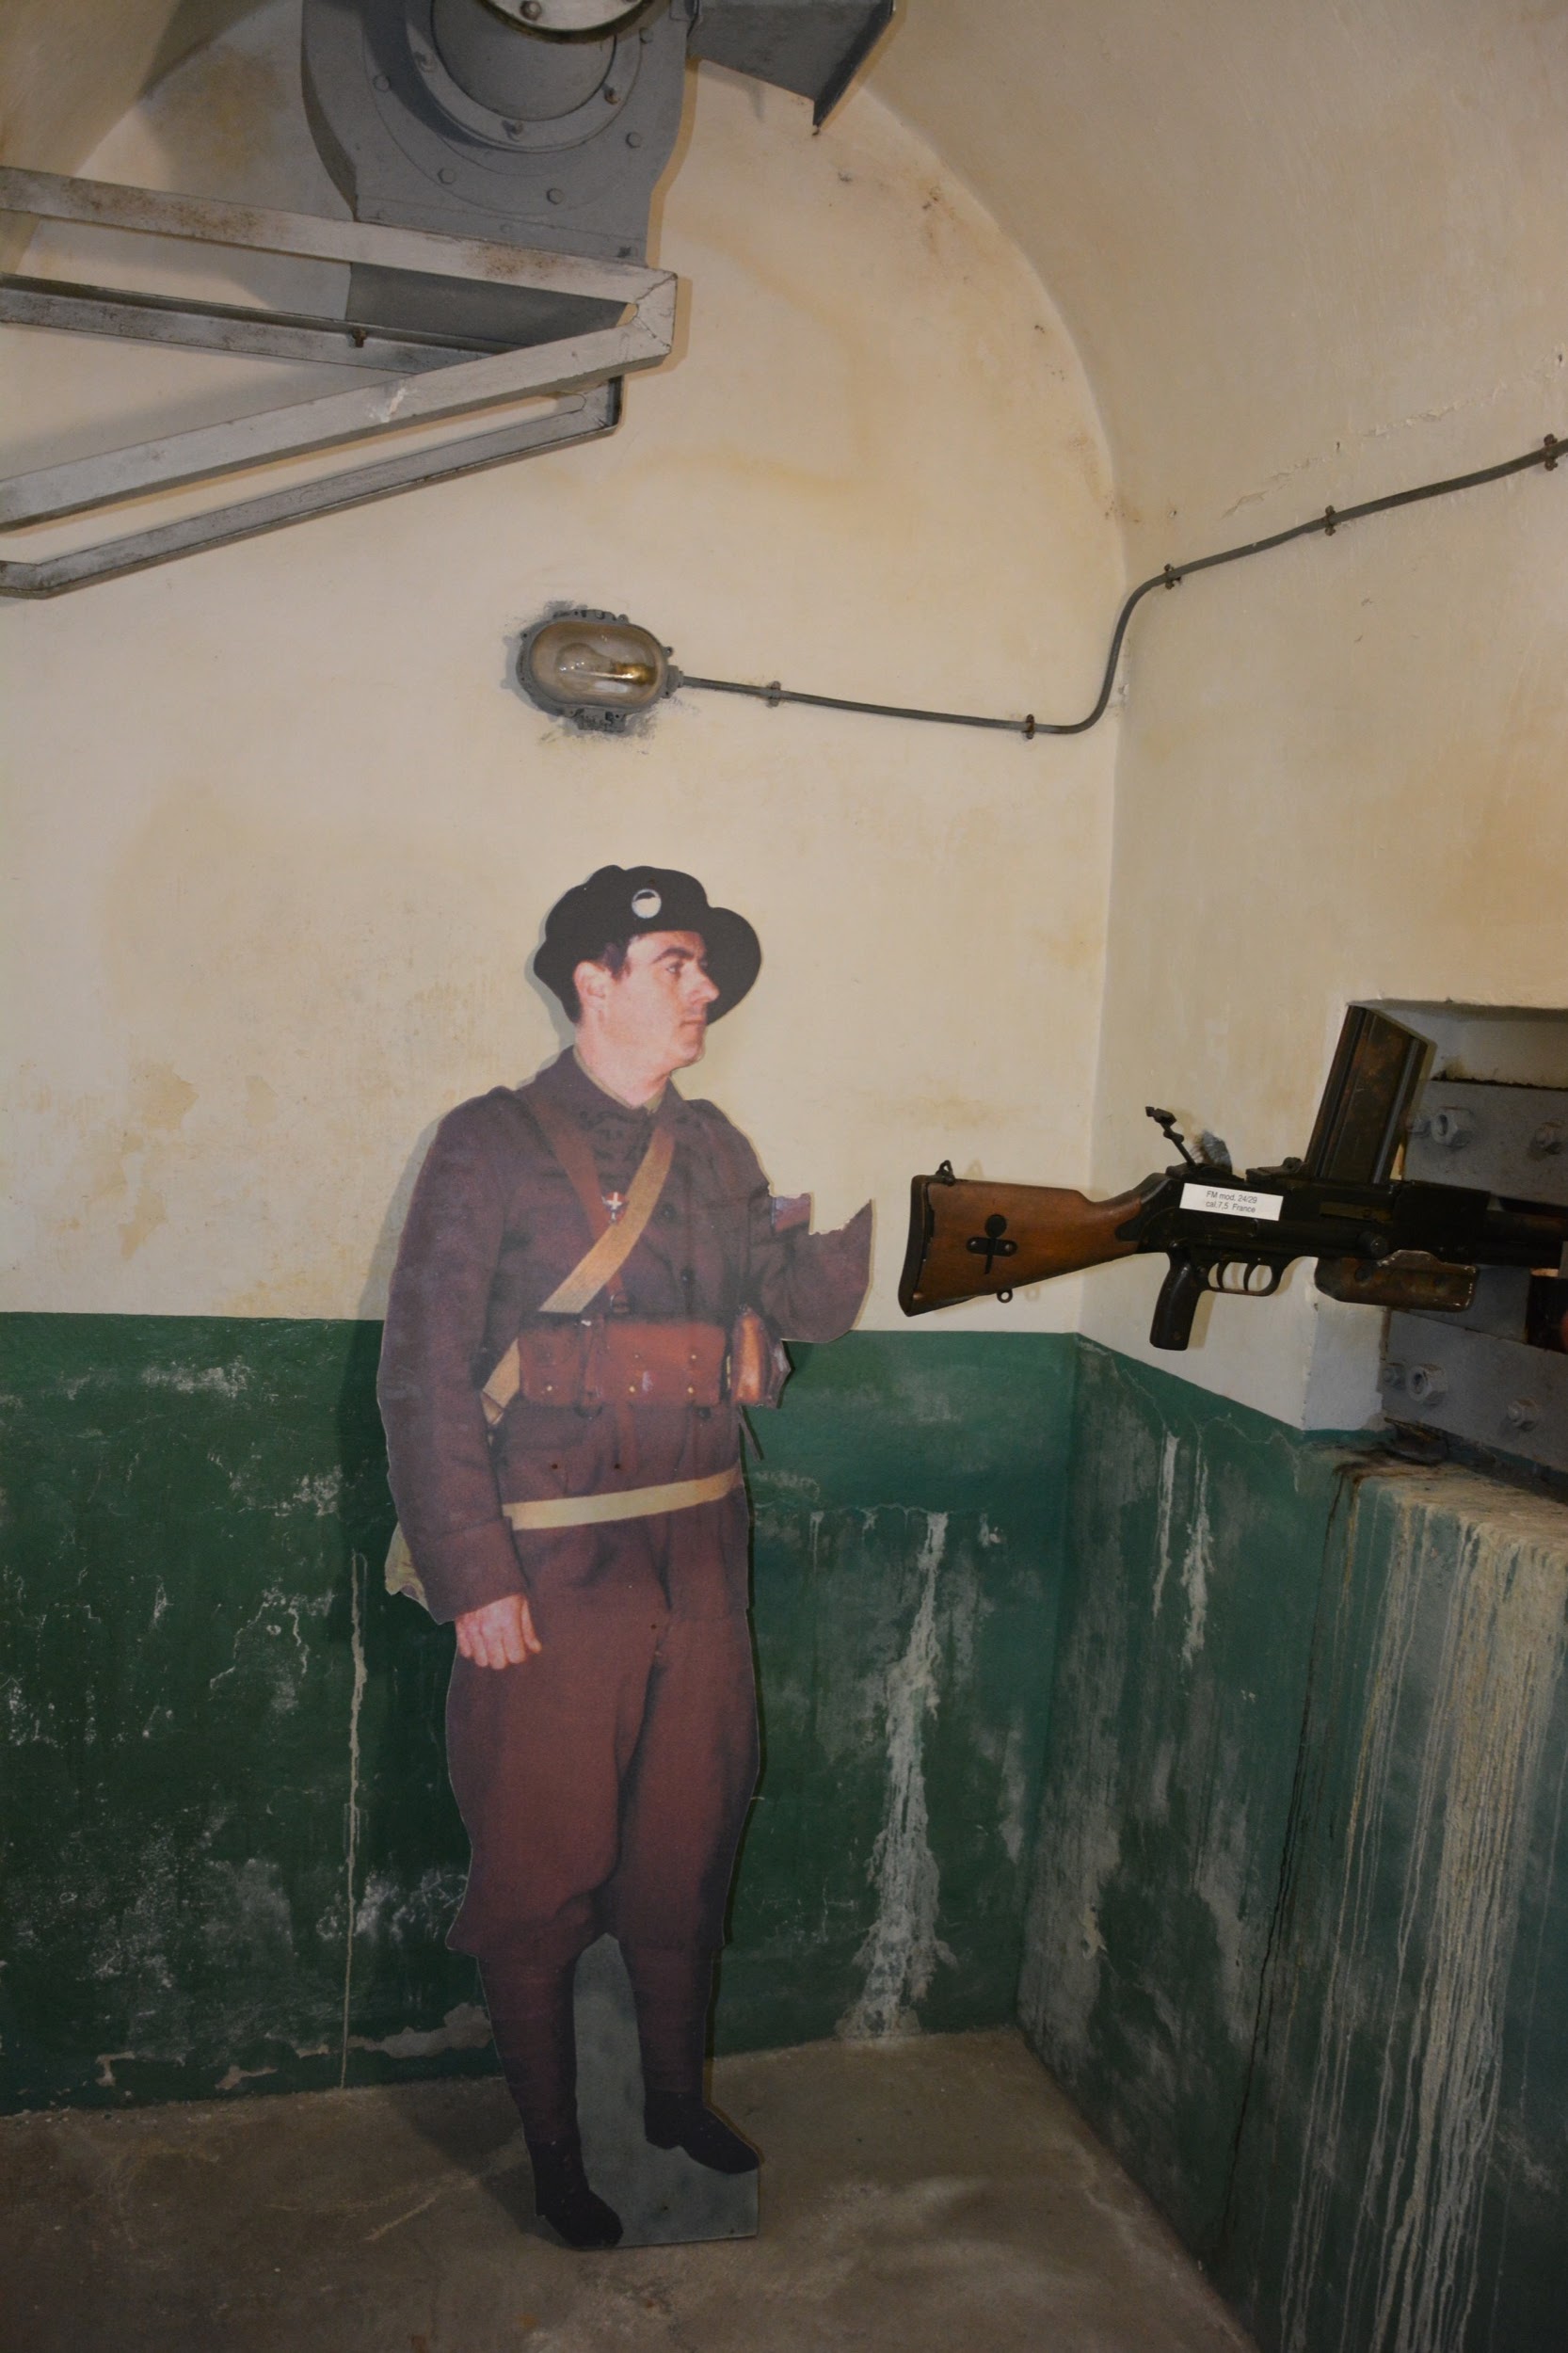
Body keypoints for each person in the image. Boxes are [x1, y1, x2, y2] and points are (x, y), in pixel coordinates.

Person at [378, 865, 872, 2248]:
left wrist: (848, 1257)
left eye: (703, 967)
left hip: (700, 1552)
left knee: (686, 1843)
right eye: (674, 965)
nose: (703, 989)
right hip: (547, 1570)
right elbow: (421, 1375)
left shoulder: (715, 1148)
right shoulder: (485, 1145)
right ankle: (554, 2153)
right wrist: (473, 1578)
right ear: (592, 982)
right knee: (539, 1866)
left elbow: (779, 1314)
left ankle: (667, 2103)